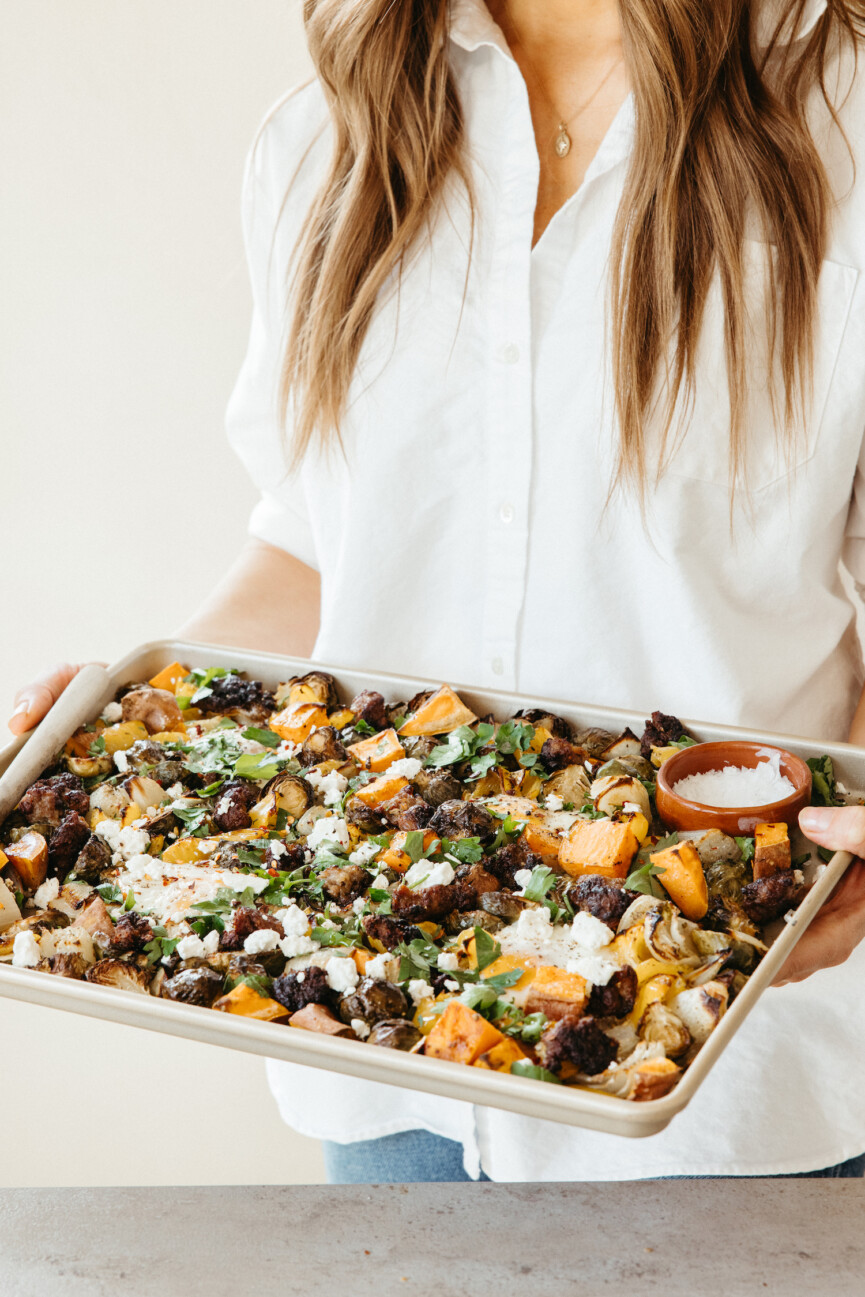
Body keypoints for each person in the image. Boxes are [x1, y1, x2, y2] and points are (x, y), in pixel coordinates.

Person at [10, 0, 865, 1182]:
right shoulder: (320, 138)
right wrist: (118, 728)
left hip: (735, 1088)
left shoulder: (842, 117)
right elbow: (317, 548)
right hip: (387, 1085)